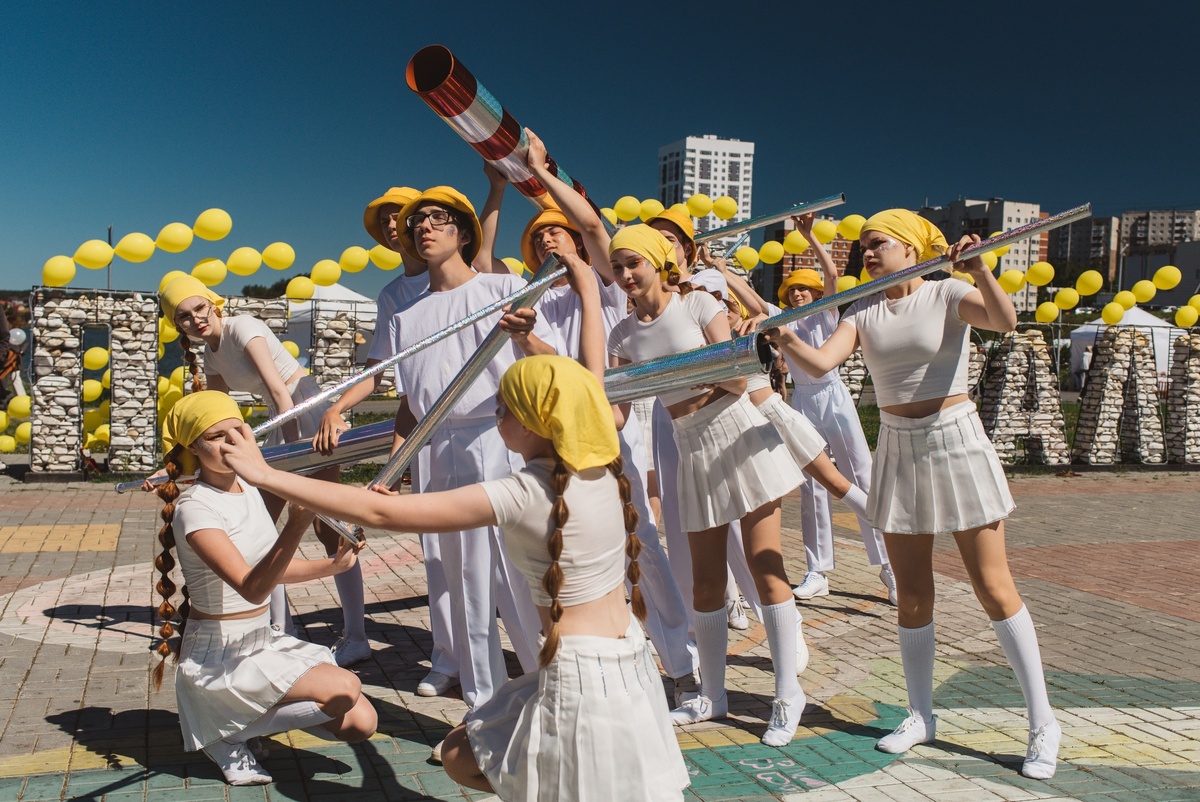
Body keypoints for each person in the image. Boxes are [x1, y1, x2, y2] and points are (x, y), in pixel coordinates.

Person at [220, 356, 690, 801]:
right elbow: (582, 377)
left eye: (502, 406)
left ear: (530, 423)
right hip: (629, 658)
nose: (495, 414)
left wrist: (262, 473)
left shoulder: (526, 491)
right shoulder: (606, 472)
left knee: (469, 758)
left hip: (581, 674)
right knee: (474, 751)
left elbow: (381, 512)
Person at [768, 209, 1060, 779]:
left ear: (910, 247)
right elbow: (823, 362)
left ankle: (1043, 722)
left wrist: (980, 271)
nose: (867, 255)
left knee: (994, 586)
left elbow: (1004, 321)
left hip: (956, 440)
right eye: (863, 249)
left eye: (877, 244)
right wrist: (781, 338)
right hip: (898, 447)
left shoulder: (949, 292)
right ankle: (921, 714)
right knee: (912, 592)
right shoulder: (864, 308)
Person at [504, 128, 699, 703]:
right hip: (552, 455)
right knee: (573, 563)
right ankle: (604, 669)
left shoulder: (612, 290)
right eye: (540, 241)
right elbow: (558, 378)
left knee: (646, 558)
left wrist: (542, 174)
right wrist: (527, 339)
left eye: (558, 235)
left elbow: (594, 228)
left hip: (610, 445)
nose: (551, 246)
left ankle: (683, 667)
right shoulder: (534, 302)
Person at [608, 225, 808, 746]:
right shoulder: (621, 336)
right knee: (705, 582)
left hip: (738, 428)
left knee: (766, 568)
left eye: (635, 263)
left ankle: (788, 694)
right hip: (688, 443)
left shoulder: (698, 305)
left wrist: (678, 372)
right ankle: (713, 696)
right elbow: (616, 414)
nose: (626, 276)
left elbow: (738, 377)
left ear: (657, 263)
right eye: (618, 268)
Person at [150, 391, 376, 785]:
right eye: (216, 437)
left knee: (362, 721)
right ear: (193, 448)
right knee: (345, 687)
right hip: (219, 657)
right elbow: (253, 588)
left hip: (259, 640)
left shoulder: (248, 489)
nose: (231, 443)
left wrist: (333, 565)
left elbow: (270, 570)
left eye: (237, 430)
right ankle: (224, 733)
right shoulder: (195, 509)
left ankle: (236, 726)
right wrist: (294, 525)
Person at [385, 184, 551, 719]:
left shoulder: (504, 288)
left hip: (498, 439)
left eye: (437, 219)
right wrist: (395, 466)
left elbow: (552, 362)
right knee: (457, 576)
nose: (424, 228)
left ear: (462, 232)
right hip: (440, 447)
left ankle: (545, 683)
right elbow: (413, 403)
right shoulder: (405, 318)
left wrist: (525, 339)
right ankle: (484, 702)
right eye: (418, 223)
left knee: (515, 574)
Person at [158, 275, 370, 666]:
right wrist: (175, 464)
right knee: (258, 531)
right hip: (283, 423)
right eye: (184, 317)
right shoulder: (210, 353)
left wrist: (287, 460)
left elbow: (279, 390)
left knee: (328, 528)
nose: (196, 320)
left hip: (306, 415)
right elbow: (212, 412)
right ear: (178, 325)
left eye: (199, 309)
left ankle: (356, 636)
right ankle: (280, 630)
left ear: (212, 304)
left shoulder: (244, 328)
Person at [720, 215, 895, 605]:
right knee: (812, 485)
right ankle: (818, 570)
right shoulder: (781, 318)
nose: (798, 294)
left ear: (816, 294)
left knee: (860, 475)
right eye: (792, 290)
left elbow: (832, 273)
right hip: (802, 401)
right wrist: (721, 271)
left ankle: (888, 565)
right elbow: (750, 298)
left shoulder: (829, 311)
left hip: (833, 396)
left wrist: (808, 235)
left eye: (804, 289)